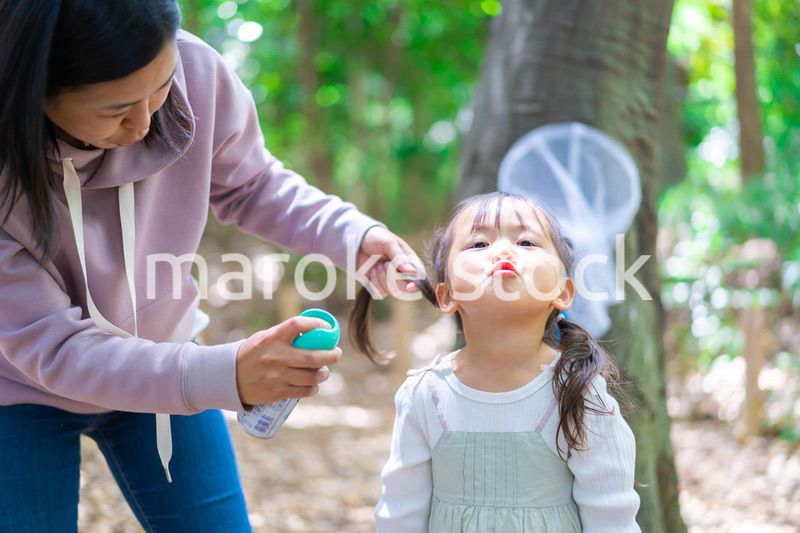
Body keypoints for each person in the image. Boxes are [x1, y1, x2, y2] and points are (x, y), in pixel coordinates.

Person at [0, 1, 419, 531]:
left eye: (160, 88)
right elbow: (53, 347)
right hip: (18, 391)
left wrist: (353, 238)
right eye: (116, 109)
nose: (145, 122)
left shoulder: (196, 72)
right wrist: (228, 373)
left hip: (167, 362)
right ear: (36, 91)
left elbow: (252, 184)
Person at [350, 192, 640, 532]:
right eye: (478, 244)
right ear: (447, 295)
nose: (503, 251)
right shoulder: (426, 396)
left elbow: (611, 520)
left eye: (527, 242)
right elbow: (400, 517)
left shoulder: (578, 395)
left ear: (562, 291)